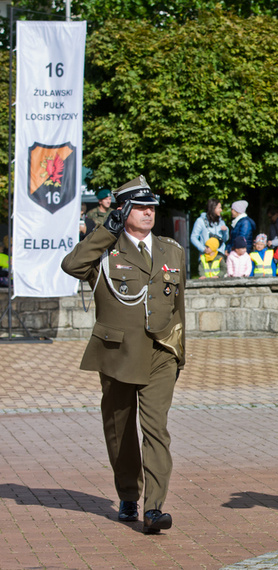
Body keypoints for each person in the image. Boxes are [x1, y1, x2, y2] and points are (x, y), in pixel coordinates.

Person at [60, 175, 184, 534]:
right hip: (117, 353)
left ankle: (155, 508)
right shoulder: (104, 250)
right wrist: (104, 231)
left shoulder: (171, 251)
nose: (149, 213)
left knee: (156, 429)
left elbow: (179, 309)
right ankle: (128, 493)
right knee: (120, 431)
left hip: (160, 352)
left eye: (152, 208)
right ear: (124, 210)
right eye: (141, 207)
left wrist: (179, 354)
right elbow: (72, 266)